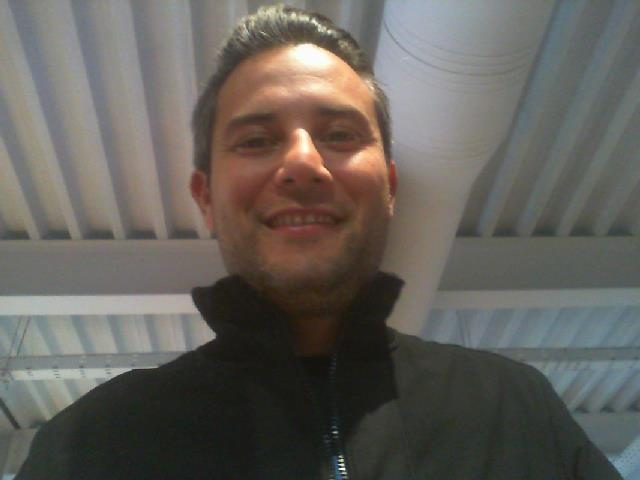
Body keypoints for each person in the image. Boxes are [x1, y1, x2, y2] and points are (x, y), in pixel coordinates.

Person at [17, 5, 621, 479]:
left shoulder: (516, 409)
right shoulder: (90, 446)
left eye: (339, 134)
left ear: (389, 187)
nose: (304, 163)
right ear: (206, 198)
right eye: (257, 140)